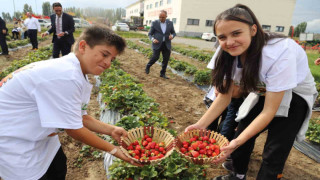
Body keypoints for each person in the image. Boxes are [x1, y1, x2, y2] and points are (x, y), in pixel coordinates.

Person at [185, 4, 318, 180]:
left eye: (236, 33)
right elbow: (224, 97)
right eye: (222, 37)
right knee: (242, 132)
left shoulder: (279, 53)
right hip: (263, 90)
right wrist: (200, 125)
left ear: (253, 29)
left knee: (275, 148)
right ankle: (238, 174)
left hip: (295, 95)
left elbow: (269, 111)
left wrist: (237, 142)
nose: (229, 42)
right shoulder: (225, 51)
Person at [0, 25, 141, 180]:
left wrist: (111, 130)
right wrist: (114, 150)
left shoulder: (75, 71)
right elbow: (73, 129)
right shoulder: (66, 76)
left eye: (112, 59)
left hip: (39, 136)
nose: (108, 63)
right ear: (83, 46)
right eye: (104, 54)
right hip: (13, 141)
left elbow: (79, 116)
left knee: (58, 166)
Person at [145, 10, 176, 79]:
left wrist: (172, 36)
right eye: (160, 17)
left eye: (163, 17)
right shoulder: (155, 23)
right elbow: (150, 34)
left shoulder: (170, 23)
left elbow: (173, 32)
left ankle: (162, 73)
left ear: (166, 17)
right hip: (157, 43)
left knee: (166, 59)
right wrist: (153, 39)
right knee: (156, 57)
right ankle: (148, 66)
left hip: (166, 44)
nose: (161, 19)